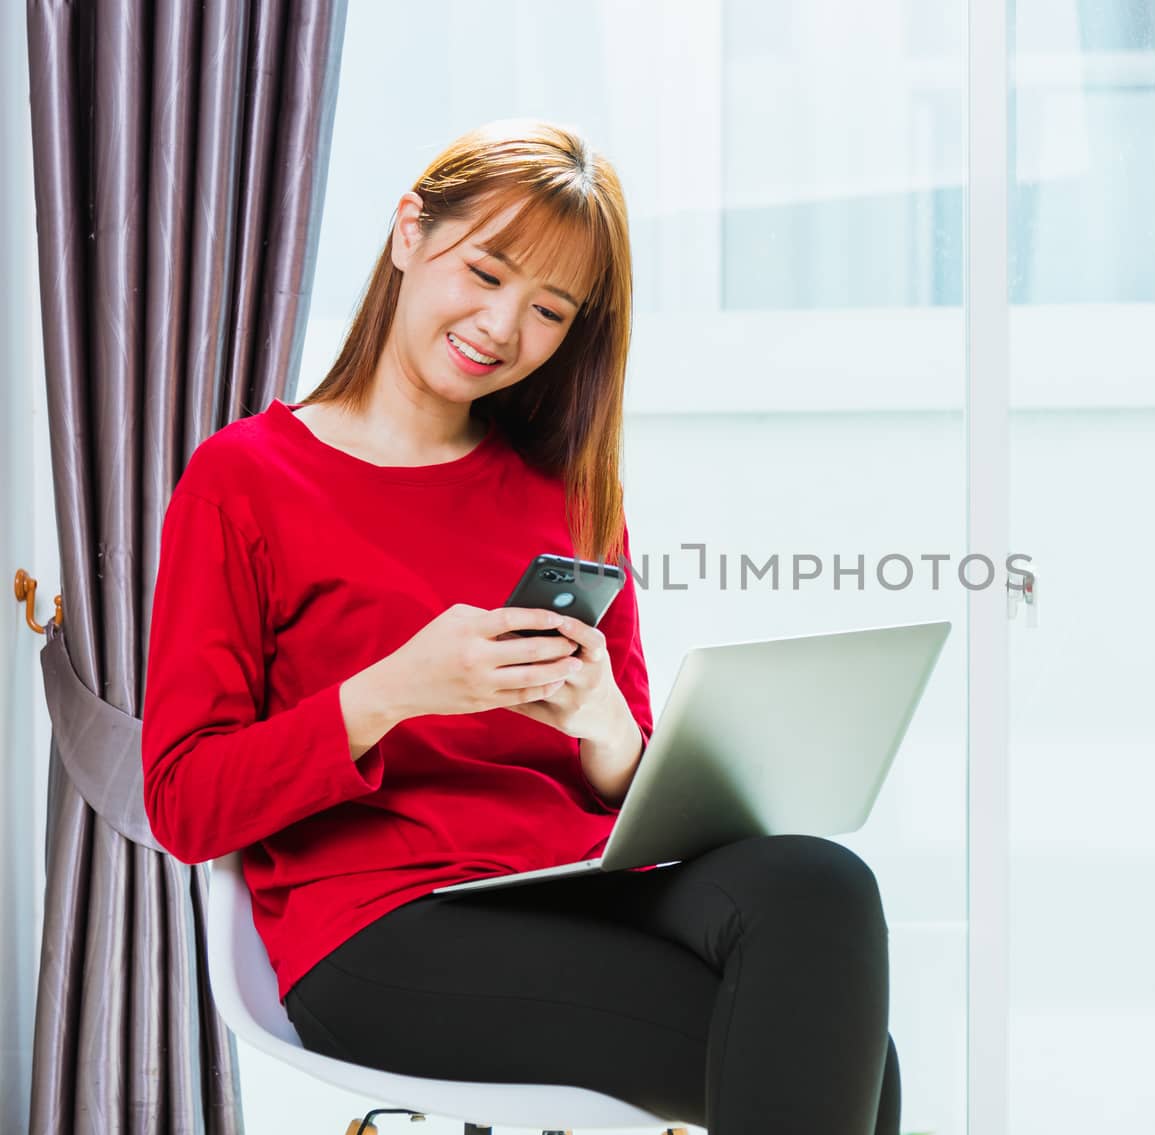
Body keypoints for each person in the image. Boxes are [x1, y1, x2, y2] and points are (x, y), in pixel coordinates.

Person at [139, 119, 900, 1134]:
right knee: (850, 1070)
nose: (502, 327)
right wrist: (392, 692)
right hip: (380, 925)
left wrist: (602, 725)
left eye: (547, 310)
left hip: (577, 880)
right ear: (411, 231)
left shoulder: (568, 491)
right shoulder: (244, 480)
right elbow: (185, 802)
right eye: (486, 273)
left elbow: (627, 776)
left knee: (819, 881)